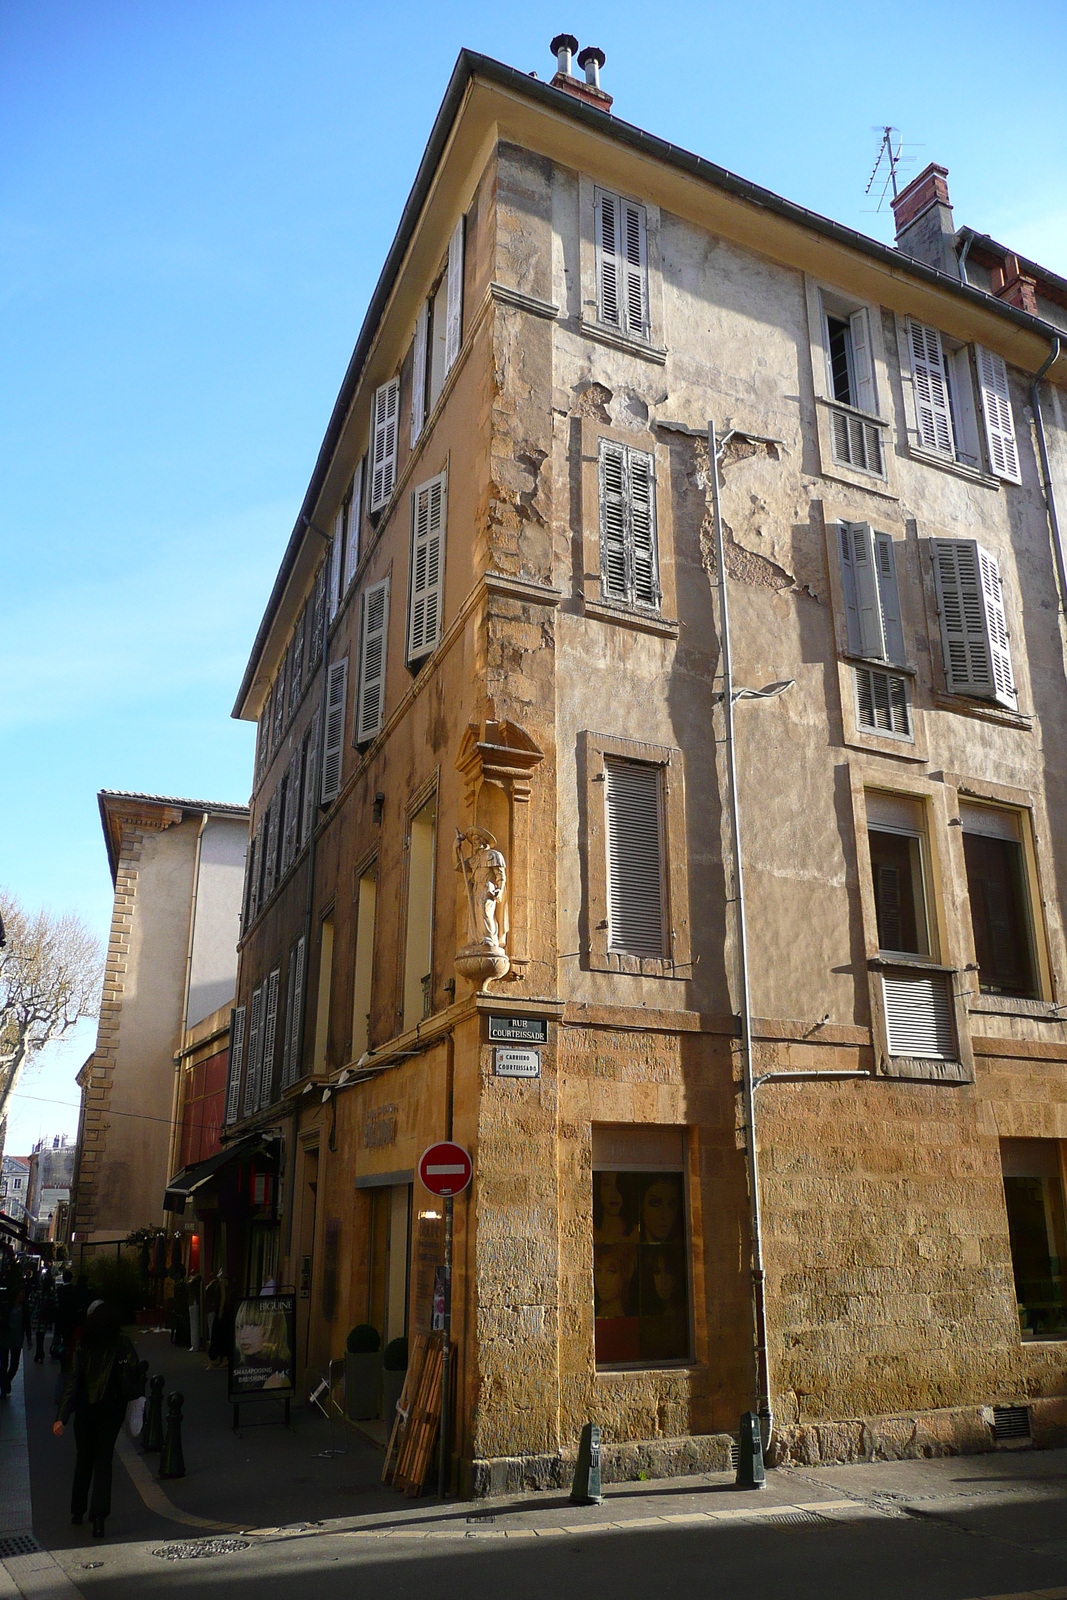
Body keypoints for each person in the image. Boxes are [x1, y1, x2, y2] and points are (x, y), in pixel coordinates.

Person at [53, 1301, 139, 1538]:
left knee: (84, 1459)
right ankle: (99, 1517)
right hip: (111, 1410)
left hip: (85, 1411)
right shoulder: (122, 1343)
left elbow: (73, 1381)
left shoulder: (83, 1345)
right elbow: (134, 1372)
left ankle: (77, 1510)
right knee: (104, 1461)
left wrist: (62, 1417)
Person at [232, 1298, 291, 1389]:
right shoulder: (239, 1366)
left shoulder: (279, 1376)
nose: (242, 1335)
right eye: (240, 1327)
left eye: (253, 1325)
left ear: (273, 1327)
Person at [1, 1286, 26, 1396]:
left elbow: (26, 1323)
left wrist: (28, 1338)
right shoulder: (6, 1306)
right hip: (5, 1337)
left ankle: (5, 1382)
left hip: (17, 1337)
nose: (21, 1296)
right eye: (19, 1293)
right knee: (4, 1363)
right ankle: (4, 1386)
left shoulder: (24, 1307)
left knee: (14, 1364)